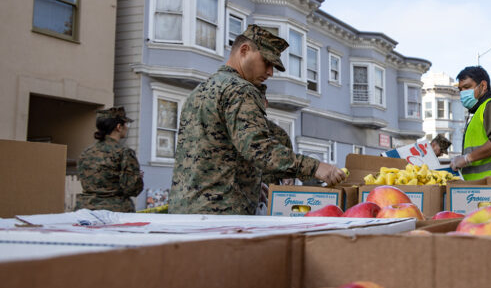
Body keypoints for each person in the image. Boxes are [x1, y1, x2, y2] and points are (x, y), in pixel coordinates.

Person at [169, 24, 347, 214]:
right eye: (267, 62)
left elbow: (216, 154)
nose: (270, 72)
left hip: (183, 209)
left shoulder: (199, 91)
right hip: (220, 215)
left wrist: (252, 185)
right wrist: (316, 167)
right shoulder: (241, 90)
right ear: (244, 50)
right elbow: (258, 148)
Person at [76, 106, 144, 212]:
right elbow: (132, 190)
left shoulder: (86, 152)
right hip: (115, 212)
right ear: (118, 127)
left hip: (85, 209)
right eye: (126, 124)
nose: (127, 127)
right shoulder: (124, 152)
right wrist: (138, 178)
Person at [258, 83, 296, 187]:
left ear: (265, 103)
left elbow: (288, 179)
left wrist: (288, 178)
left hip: (267, 200)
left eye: (257, 101)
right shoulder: (228, 130)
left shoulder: (280, 136)